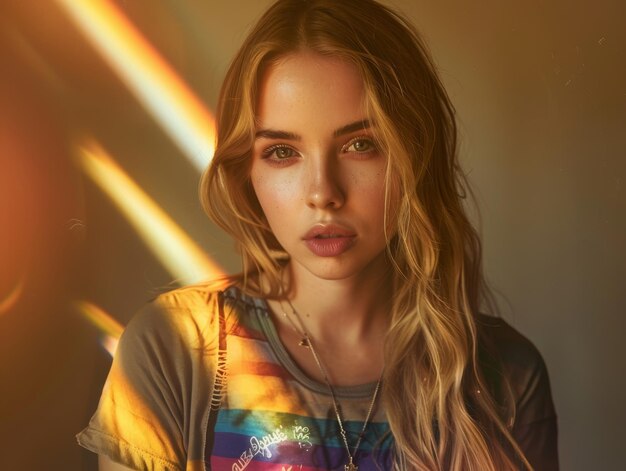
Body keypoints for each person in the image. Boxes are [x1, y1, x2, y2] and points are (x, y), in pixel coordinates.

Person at [77, 0, 558, 470]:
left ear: (415, 153)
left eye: (360, 145)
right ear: (248, 171)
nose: (323, 192)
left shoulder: (503, 377)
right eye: (283, 152)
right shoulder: (174, 349)